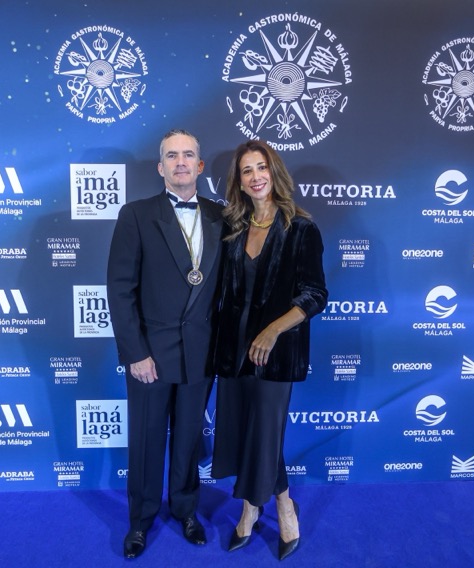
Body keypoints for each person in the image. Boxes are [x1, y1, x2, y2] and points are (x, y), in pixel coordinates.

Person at [107, 129, 225, 559]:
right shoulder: (136, 214)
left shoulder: (222, 216)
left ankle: (186, 510)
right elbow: (120, 289)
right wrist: (135, 353)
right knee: (146, 438)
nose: (180, 162)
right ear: (160, 167)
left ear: (200, 165)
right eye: (172, 156)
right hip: (151, 354)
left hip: (201, 351)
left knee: (189, 437)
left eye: (188, 154)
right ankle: (140, 520)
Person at [211, 139, 327, 561]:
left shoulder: (302, 228)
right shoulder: (232, 229)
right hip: (233, 350)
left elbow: (315, 295)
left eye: (261, 167)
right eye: (247, 170)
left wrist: (272, 331)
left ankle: (265, 507)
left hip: (274, 353)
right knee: (247, 431)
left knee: (265, 432)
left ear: (274, 172)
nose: (256, 176)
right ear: (239, 182)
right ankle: (270, 502)